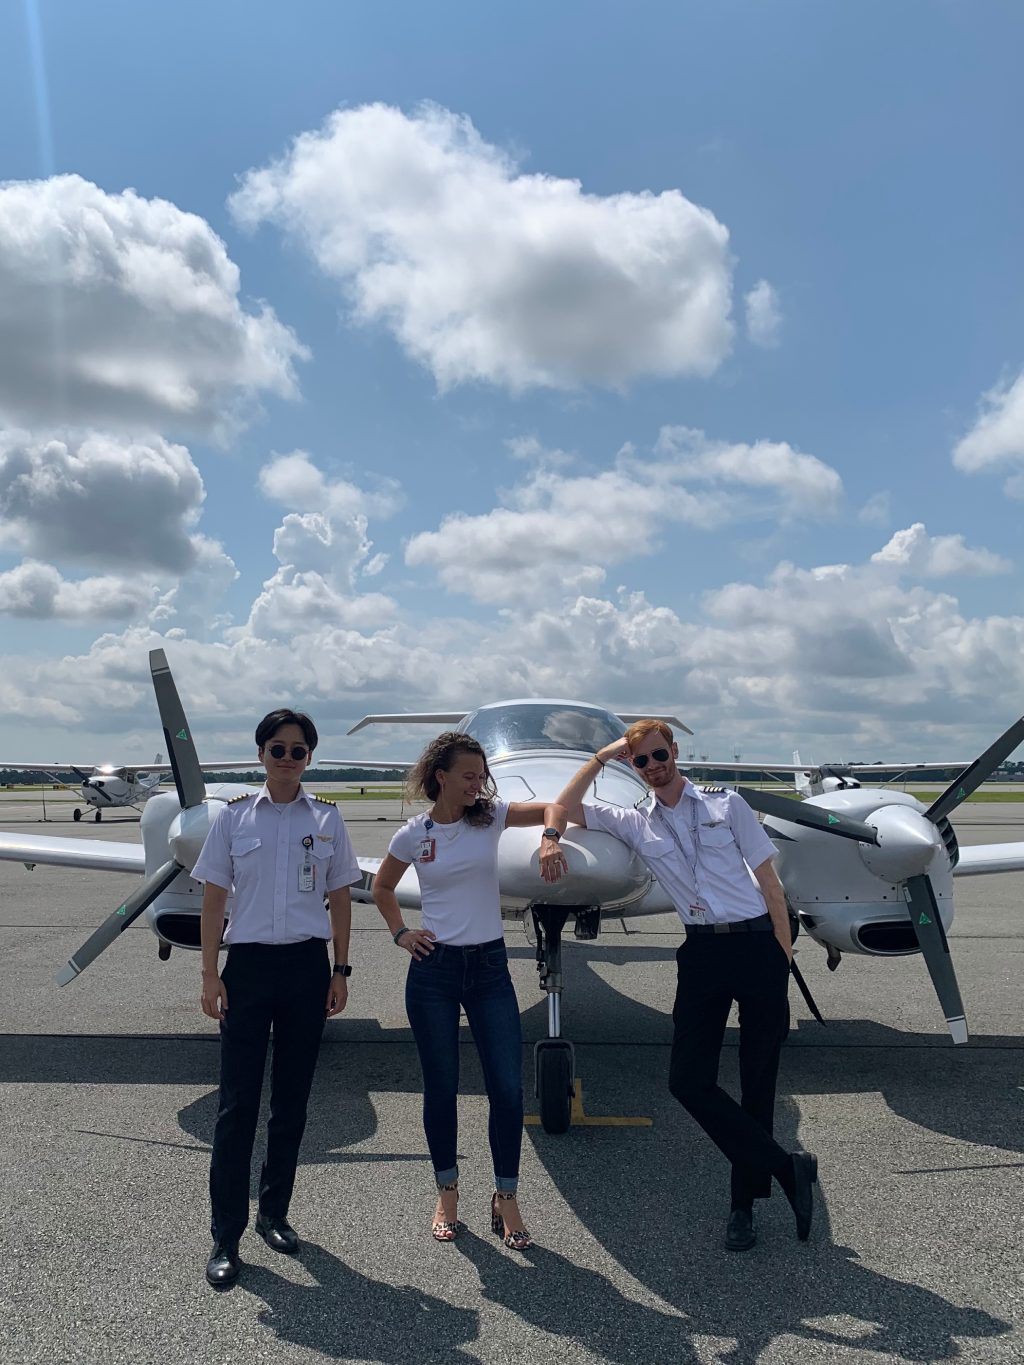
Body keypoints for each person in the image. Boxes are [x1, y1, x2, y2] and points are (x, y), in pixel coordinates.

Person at [552, 719, 817, 1252]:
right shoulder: (632, 821)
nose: (652, 766)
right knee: (687, 1081)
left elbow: (769, 881)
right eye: (641, 761)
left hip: (757, 944)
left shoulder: (727, 805)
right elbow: (564, 805)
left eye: (658, 754)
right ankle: (788, 1168)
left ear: (675, 751)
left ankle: (743, 1208)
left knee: (758, 1083)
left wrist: (781, 957)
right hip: (701, 953)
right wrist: (603, 756)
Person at [372, 731, 567, 1249]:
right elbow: (382, 887)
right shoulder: (413, 835)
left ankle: (506, 1198)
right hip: (434, 971)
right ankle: (447, 1191)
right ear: (442, 777)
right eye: (469, 776)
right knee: (441, 1089)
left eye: (482, 777)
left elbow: (553, 806)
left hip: (489, 969)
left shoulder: (492, 816)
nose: (478, 785)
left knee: (506, 1088)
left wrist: (551, 837)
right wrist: (401, 933)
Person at [192, 708, 361, 1288]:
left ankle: (274, 1214)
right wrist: (210, 973)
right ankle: (225, 1234)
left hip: (306, 968)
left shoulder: (329, 821)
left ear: (309, 758)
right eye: (277, 749)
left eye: (298, 751)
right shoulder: (234, 820)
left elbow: (340, 898)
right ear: (260, 754)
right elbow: (215, 899)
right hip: (250, 969)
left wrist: (340, 970)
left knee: (291, 1101)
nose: (287, 759)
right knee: (237, 1105)